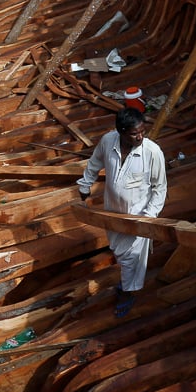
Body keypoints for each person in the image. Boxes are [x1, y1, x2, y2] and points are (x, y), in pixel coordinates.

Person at [78, 107, 167, 316]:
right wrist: (85, 184)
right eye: (134, 133)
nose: (140, 137)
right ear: (121, 131)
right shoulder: (108, 141)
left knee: (131, 258)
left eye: (142, 131)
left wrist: (148, 218)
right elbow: (95, 161)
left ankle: (129, 292)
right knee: (119, 251)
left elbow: (159, 188)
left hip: (138, 216)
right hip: (112, 212)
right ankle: (129, 284)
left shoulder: (152, 152)